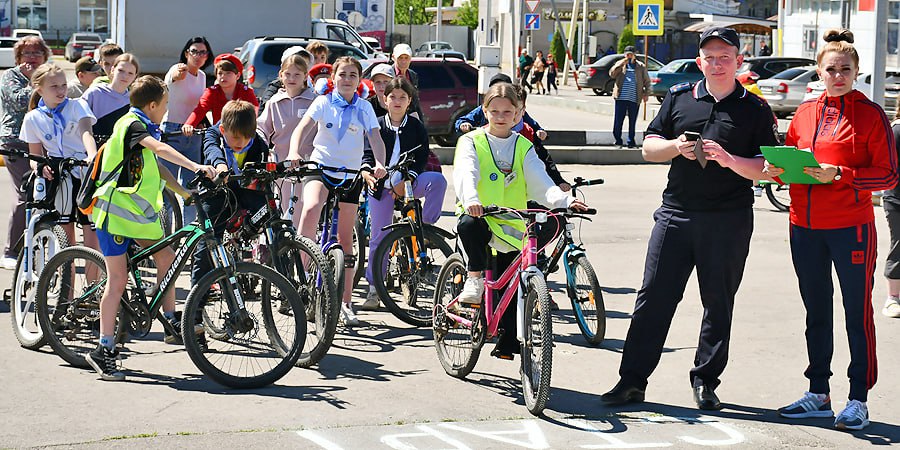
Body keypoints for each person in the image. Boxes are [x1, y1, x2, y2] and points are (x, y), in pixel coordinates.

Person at [600, 27, 779, 410]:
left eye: (725, 57)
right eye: (710, 57)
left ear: (738, 62)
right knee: (653, 299)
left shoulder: (755, 109)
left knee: (718, 302)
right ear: (700, 62)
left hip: (728, 220)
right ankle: (632, 381)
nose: (717, 64)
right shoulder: (680, 98)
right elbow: (649, 148)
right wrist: (674, 147)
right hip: (676, 215)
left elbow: (770, 168)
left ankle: (705, 381)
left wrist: (731, 161)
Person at [766, 29, 897, 431]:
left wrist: (840, 173)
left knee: (857, 314)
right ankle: (818, 392)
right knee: (816, 312)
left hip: (851, 227)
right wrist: (776, 172)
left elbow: (888, 174)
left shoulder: (871, 115)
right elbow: (792, 159)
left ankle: (858, 397)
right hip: (803, 226)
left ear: (856, 71)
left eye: (845, 69)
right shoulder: (805, 113)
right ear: (818, 72)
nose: (837, 75)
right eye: (830, 69)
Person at [87, 76, 216, 381]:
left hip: (138, 215)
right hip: (115, 214)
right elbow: (158, 151)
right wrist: (196, 167)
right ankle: (103, 349)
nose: (167, 111)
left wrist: (185, 193)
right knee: (116, 282)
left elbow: (155, 167)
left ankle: (170, 321)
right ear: (153, 105)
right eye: (166, 105)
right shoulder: (132, 124)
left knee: (167, 259)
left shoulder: (145, 125)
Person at [453, 82, 587, 359]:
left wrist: (566, 201)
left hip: (512, 221)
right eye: (494, 110)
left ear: (518, 115)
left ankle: (509, 340)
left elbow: (541, 183)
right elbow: (466, 172)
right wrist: (472, 200)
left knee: (516, 278)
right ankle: (474, 279)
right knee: (468, 225)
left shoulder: (524, 145)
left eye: (508, 111)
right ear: (485, 111)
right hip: (480, 215)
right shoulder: (471, 141)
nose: (501, 116)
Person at [287, 56, 388, 326]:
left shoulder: (365, 107)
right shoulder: (323, 102)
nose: (347, 79)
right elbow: (302, 129)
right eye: (342, 74)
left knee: (346, 240)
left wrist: (380, 163)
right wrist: (295, 151)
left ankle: (345, 302)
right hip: (320, 168)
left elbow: (375, 138)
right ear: (334, 78)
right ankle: (302, 274)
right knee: (310, 209)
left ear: (358, 80)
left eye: (353, 75)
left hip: (350, 175)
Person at [359, 77, 446, 310]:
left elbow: (421, 157)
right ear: (385, 99)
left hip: (408, 181)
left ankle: (425, 228)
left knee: (437, 181)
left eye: (403, 97)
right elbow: (366, 154)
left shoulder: (416, 126)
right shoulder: (376, 124)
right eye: (393, 97)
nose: (397, 101)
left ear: (409, 101)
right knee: (379, 237)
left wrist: (410, 177)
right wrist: (367, 172)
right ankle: (374, 289)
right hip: (380, 187)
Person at [192, 100, 270, 291]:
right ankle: (197, 303)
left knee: (270, 212)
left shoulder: (259, 144)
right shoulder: (213, 134)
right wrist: (220, 167)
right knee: (207, 243)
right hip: (216, 191)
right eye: (235, 137)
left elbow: (263, 167)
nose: (241, 142)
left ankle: (275, 273)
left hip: (245, 189)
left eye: (247, 137)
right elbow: (212, 151)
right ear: (223, 129)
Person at [20, 63, 99, 251]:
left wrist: (92, 155)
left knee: (91, 230)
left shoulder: (77, 105)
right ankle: (66, 279)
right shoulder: (33, 118)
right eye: (54, 86)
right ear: (39, 89)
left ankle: (93, 280)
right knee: (65, 234)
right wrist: (39, 166)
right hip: (58, 174)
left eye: (63, 85)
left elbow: (86, 132)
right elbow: (34, 156)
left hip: (84, 168)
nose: (61, 90)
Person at [0, 35, 51, 269]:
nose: (32, 57)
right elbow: (19, 101)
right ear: (19, 58)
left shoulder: (51, 75)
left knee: (48, 196)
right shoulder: (11, 77)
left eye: (36, 53)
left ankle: (40, 245)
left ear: (44, 56)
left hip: (44, 142)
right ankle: (11, 250)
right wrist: (34, 81)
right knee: (26, 193)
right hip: (15, 142)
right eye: (26, 54)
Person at [257, 53, 316, 225]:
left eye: (297, 74)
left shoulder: (315, 100)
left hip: (308, 165)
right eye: (287, 74)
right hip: (281, 166)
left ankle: (303, 248)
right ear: (281, 76)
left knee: (303, 211)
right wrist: (263, 151)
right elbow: (262, 129)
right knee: (282, 209)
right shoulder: (274, 102)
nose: (292, 78)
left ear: (305, 76)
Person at [160, 36, 213, 224]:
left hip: (193, 133)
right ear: (186, 54)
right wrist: (177, 73)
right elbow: (173, 76)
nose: (198, 56)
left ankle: (188, 234)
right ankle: (165, 234)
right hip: (172, 132)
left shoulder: (203, 77)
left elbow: (199, 106)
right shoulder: (178, 69)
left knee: (191, 188)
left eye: (202, 52)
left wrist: (199, 122)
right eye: (194, 51)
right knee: (167, 187)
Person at [183, 53, 258, 136]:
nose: (223, 77)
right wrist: (189, 124)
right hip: (219, 135)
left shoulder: (246, 92)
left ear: (238, 76)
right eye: (220, 73)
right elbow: (200, 109)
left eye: (228, 73)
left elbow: (255, 112)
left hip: (242, 135)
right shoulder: (211, 92)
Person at [80, 53, 139, 143]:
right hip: (94, 150)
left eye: (130, 73)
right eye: (121, 70)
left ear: (135, 76)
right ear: (112, 69)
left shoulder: (133, 100)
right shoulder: (95, 93)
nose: (125, 76)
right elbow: (78, 121)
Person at [609, 45, 650, 148]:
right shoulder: (620, 64)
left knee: (632, 121)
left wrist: (646, 94)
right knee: (618, 121)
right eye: (627, 54)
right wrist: (622, 64)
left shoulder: (640, 66)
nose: (629, 56)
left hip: (634, 98)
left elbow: (647, 81)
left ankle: (631, 141)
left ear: (634, 55)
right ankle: (618, 140)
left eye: (631, 54)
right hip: (621, 98)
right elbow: (612, 74)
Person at [258, 46, 312, 113]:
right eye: (297, 62)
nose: (292, 78)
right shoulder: (273, 97)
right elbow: (263, 116)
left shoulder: (313, 92)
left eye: (305, 64)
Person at [885, 104, 900, 319]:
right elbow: (889, 166)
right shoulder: (897, 129)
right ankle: (893, 298)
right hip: (897, 200)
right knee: (899, 246)